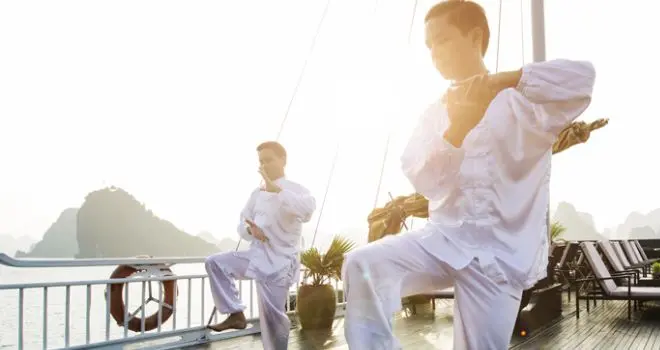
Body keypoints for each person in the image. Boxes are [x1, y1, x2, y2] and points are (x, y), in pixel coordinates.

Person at [341, 1, 595, 349]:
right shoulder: (434, 114)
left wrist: (496, 83)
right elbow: (424, 178)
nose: (434, 53)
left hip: (500, 258)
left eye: (442, 40)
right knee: (361, 264)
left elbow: (582, 80)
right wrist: (458, 128)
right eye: (429, 46)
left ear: (475, 37)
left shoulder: (523, 103)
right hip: (442, 241)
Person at [205, 141, 316, 350]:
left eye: (269, 160)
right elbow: (242, 223)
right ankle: (235, 313)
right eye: (261, 161)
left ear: (283, 160)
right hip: (255, 256)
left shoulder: (297, 190)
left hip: (279, 265)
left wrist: (278, 190)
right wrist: (249, 231)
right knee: (215, 263)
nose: (264, 165)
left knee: (273, 322)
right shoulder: (256, 194)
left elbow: (307, 211)